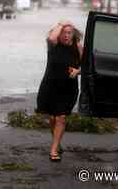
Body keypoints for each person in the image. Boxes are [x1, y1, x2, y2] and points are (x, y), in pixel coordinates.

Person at [36, 20, 83, 162]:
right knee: (52, 118)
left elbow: (87, 65)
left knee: (61, 117)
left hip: (68, 88)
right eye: (63, 32)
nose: (66, 35)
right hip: (50, 86)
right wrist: (62, 23)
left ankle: (54, 150)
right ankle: (57, 142)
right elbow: (51, 37)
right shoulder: (53, 45)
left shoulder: (78, 47)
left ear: (73, 34)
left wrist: (78, 71)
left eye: (69, 33)